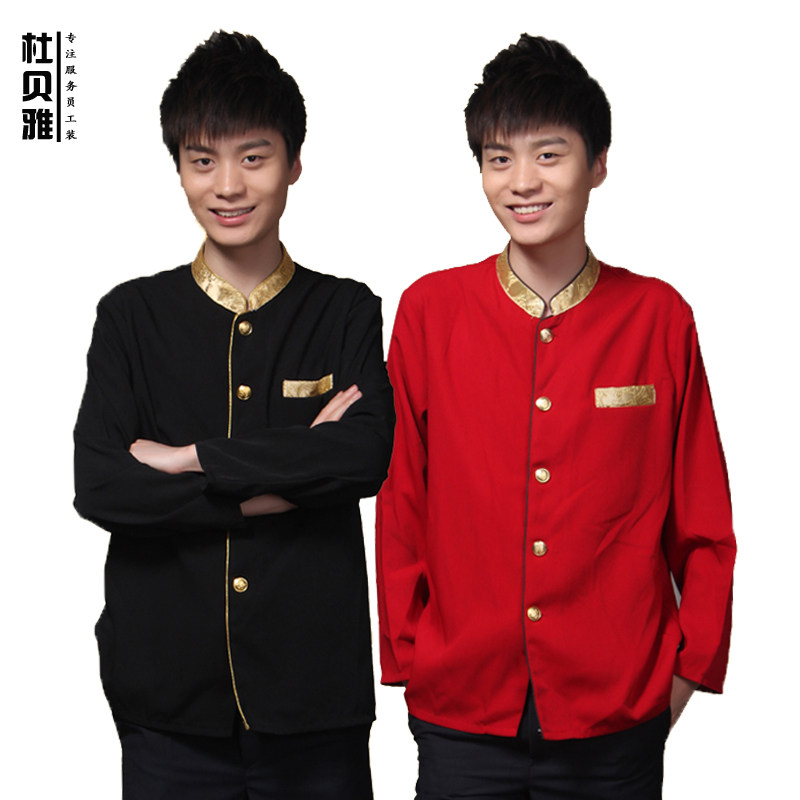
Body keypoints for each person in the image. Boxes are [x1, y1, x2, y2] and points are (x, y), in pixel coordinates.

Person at [376, 34, 735, 800]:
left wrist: (683, 677)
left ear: (597, 163)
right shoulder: (430, 312)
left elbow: (703, 520)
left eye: (549, 154)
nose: (521, 182)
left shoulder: (658, 318)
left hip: (616, 718)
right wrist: (411, 661)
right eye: (498, 158)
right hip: (461, 712)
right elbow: (403, 503)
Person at [74, 31, 393, 800]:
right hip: (166, 705)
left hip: (314, 703)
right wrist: (275, 487)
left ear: (294, 163)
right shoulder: (130, 316)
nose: (228, 186)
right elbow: (102, 485)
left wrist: (189, 459)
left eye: (254, 157)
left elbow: (362, 458)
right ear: (179, 168)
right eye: (202, 160)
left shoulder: (345, 310)